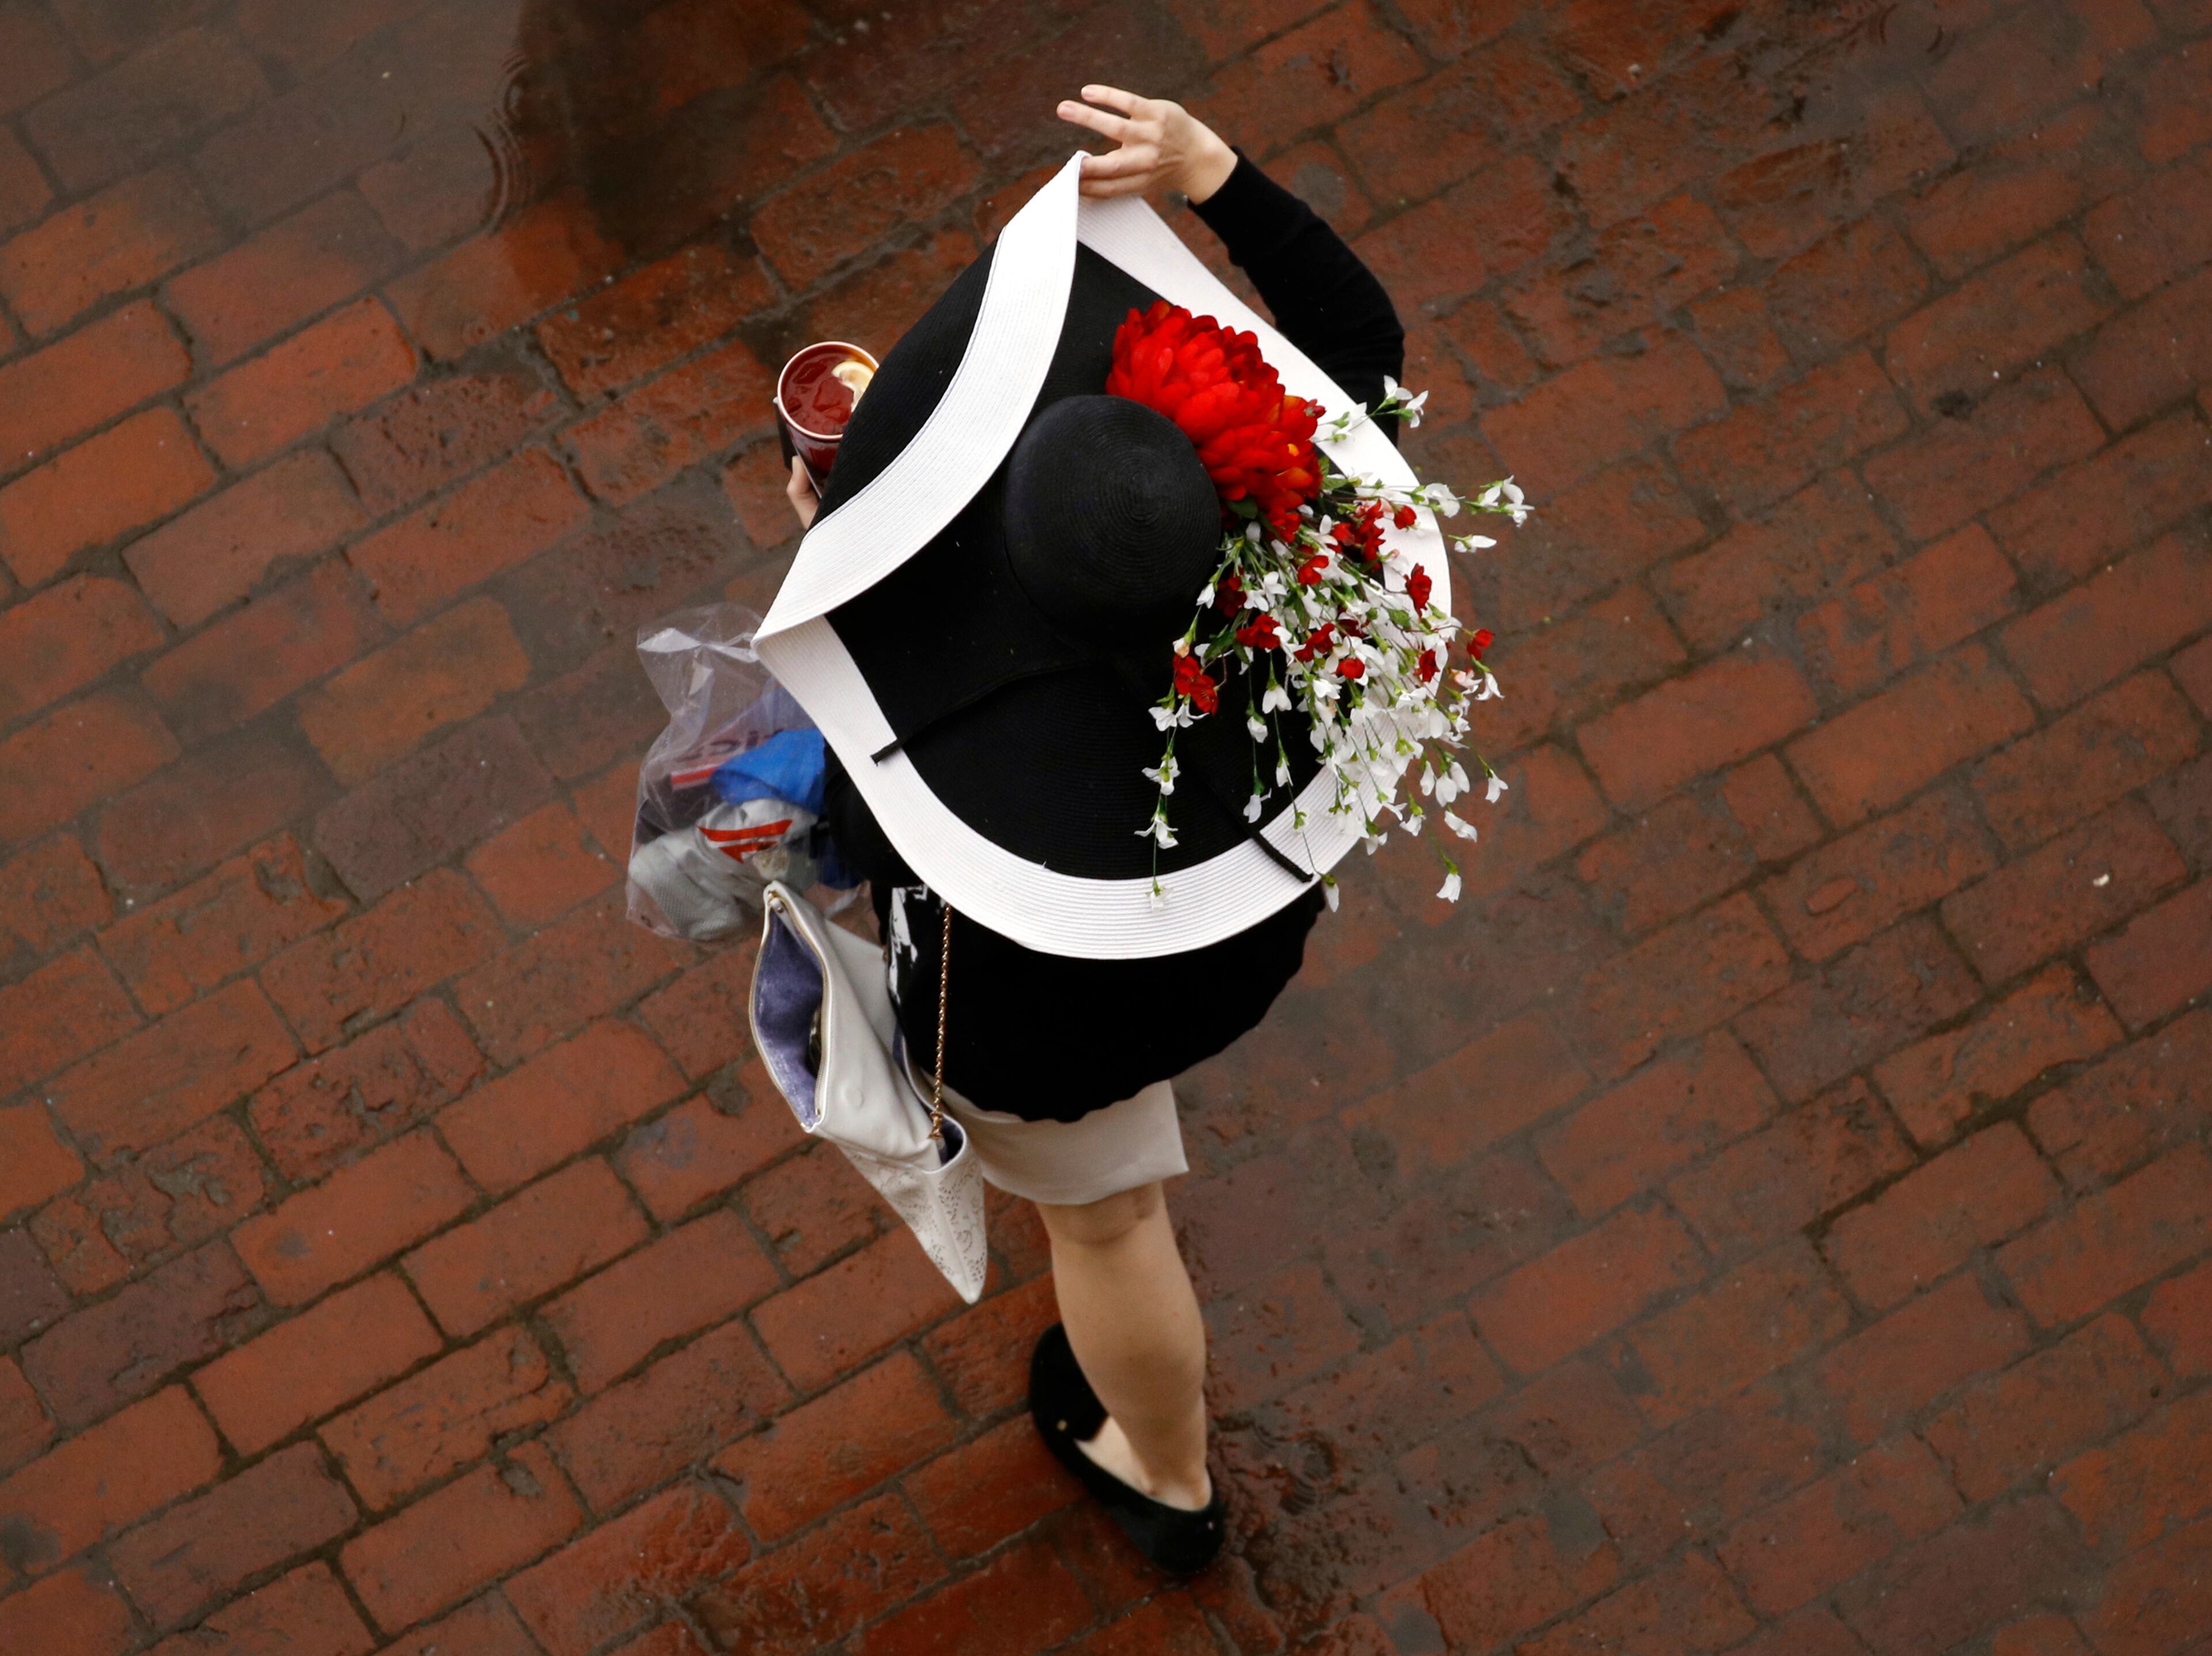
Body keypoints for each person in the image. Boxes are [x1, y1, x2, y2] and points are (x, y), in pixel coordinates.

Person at [776, 86, 1406, 1573]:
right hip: (1233, 938)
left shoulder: (976, 761)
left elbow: (870, 832)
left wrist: (837, 542)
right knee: (1115, 1206)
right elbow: (1362, 342)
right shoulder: (1281, 539)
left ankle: (1165, 1477)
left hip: (1044, 1017)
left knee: (1113, 1227)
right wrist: (1218, 178)